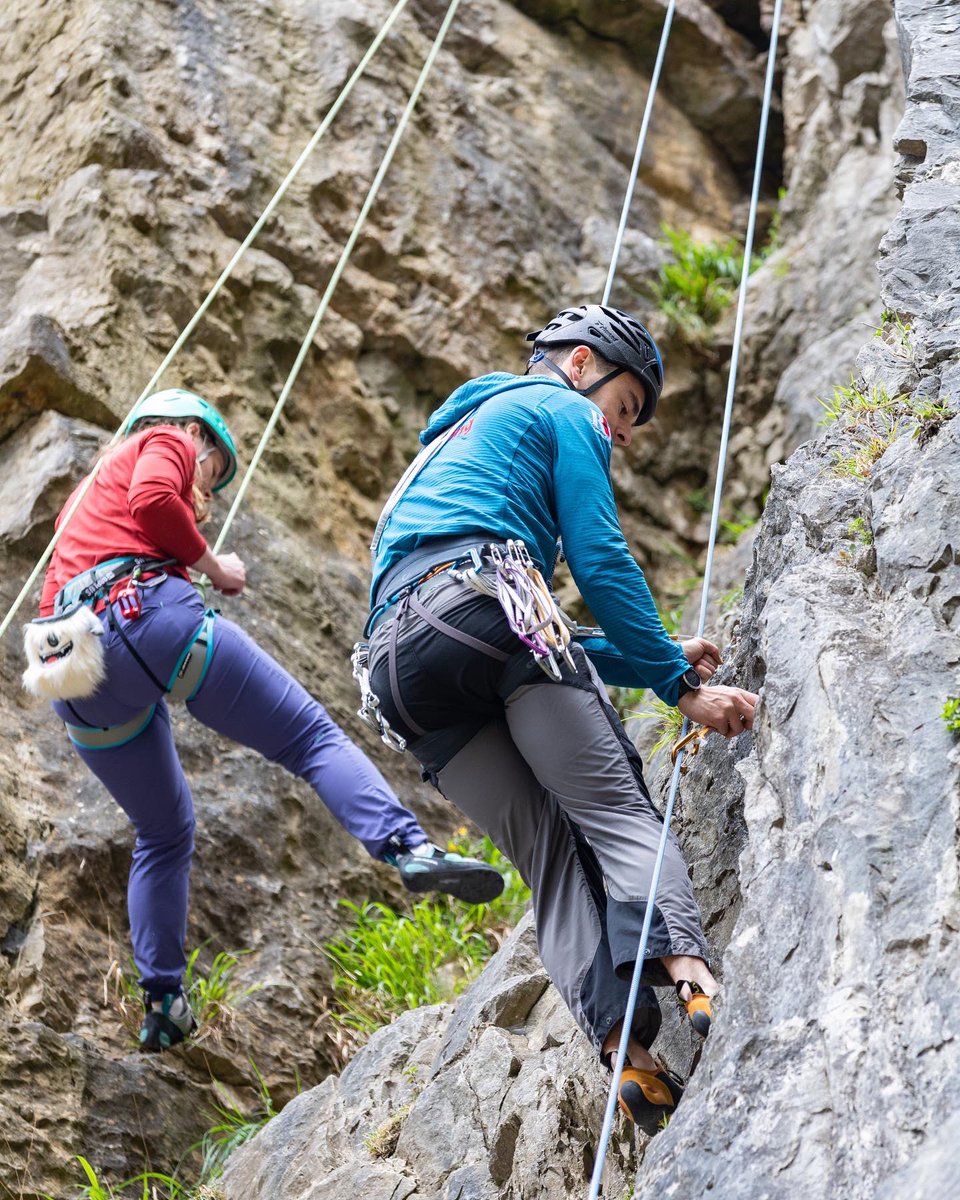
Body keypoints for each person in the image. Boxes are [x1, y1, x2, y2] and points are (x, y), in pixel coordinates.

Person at [362, 304, 759, 1133]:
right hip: (491, 608)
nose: (616, 432)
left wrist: (647, 651)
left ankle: (627, 1052)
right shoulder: (560, 407)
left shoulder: (448, 446)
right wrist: (677, 685)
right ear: (581, 365)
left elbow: (503, 626)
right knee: (613, 808)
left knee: (548, 858)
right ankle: (692, 975)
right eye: (621, 410)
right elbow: (599, 554)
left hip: (400, 670)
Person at [26, 388, 502, 1053]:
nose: (208, 490)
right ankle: (408, 849)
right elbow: (156, 501)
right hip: (144, 616)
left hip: (72, 676)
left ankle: (163, 1002)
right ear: (194, 432)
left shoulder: (81, 505)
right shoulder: (165, 439)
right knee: (310, 738)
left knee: (162, 832)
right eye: (213, 470)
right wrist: (214, 566)